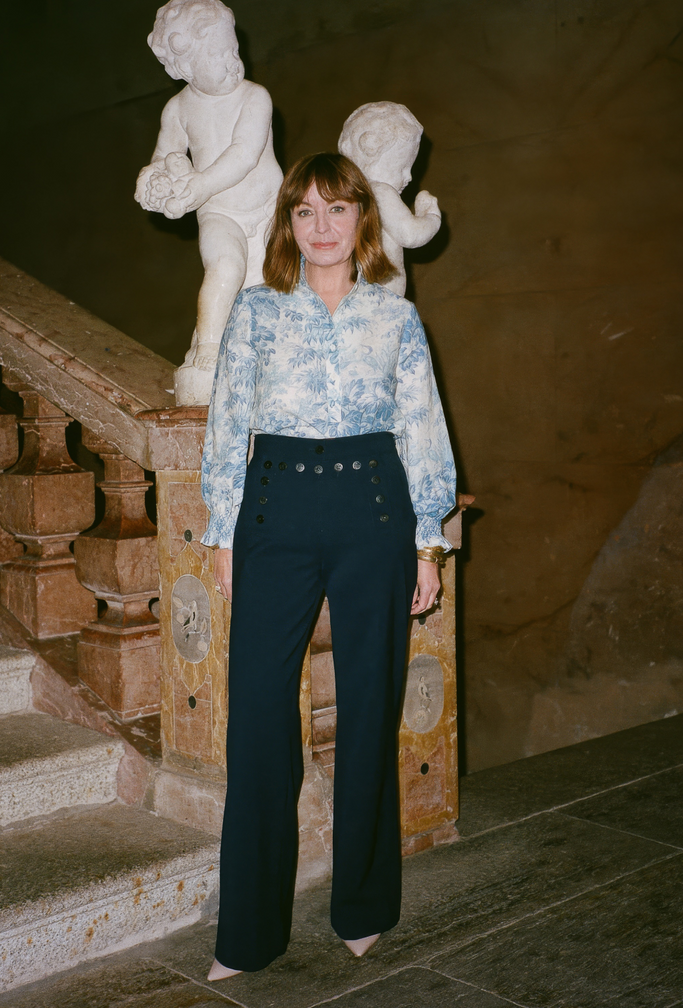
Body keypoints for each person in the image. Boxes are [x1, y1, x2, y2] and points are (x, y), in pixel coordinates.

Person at [200, 152, 456, 979]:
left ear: (361, 221)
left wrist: (428, 540)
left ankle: (364, 906)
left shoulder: (396, 317)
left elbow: (421, 426)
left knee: (371, 706)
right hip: (275, 511)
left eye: (335, 210)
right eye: (304, 211)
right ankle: (247, 931)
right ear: (288, 224)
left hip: (372, 509)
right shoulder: (256, 310)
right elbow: (227, 423)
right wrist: (223, 534)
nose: (320, 226)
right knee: (259, 715)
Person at [135, 0, 283, 402]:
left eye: (234, 49)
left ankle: (281, 359)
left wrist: (198, 184)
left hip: (271, 211)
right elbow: (165, 158)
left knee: (275, 286)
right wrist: (156, 184)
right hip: (220, 213)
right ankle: (208, 353)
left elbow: (243, 153)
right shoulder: (177, 110)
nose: (233, 61)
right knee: (224, 268)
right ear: (184, 67)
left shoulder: (255, 97)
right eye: (219, 54)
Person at [337, 102, 442, 297]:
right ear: (373, 153)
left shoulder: (344, 195)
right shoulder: (378, 191)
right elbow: (410, 235)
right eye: (402, 167)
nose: (409, 176)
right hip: (384, 301)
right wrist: (431, 215)